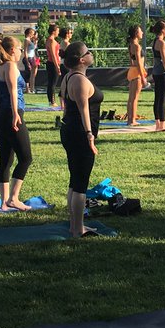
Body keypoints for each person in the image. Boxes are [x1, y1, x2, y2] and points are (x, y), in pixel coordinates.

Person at [59, 40, 103, 237]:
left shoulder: (68, 77)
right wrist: (90, 137)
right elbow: (84, 111)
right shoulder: (80, 81)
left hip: (69, 131)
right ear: (83, 59)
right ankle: (78, 228)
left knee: (75, 180)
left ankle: (74, 225)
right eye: (89, 51)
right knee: (80, 183)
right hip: (79, 133)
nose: (91, 53)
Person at [0, 35, 33, 211]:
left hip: (1, 116)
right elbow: (13, 91)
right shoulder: (10, 66)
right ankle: (13, 198)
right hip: (11, 115)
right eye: (21, 49)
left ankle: (4, 202)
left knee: (6, 160)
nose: (22, 52)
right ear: (12, 50)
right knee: (26, 158)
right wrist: (16, 114)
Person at [125, 24, 148, 126]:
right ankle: (132, 120)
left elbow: (131, 62)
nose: (142, 32)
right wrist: (143, 77)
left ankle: (129, 119)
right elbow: (138, 62)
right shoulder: (137, 46)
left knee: (131, 97)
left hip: (132, 71)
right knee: (135, 98)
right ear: (136, 33)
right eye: (140, 31)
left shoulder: (130, 45)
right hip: (137, 72)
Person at [44, 24, 61, 107]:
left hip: (53, 63)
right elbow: (53, 54)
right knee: (52, 83)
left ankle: (51, 100)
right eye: (57, 31)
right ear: (54, 31)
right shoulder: (51, 40)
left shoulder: (51, 40)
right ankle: (52, 101)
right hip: (52, 63)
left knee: (52, 82)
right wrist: (57, 66)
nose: (58, 32)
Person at [24, 27, 40, 94]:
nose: (33, 35)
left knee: (33, 74)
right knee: (28, 74)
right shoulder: (26, 40)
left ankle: (32, 88)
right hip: (29, 58)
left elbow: (33, 49)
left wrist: (35, 42)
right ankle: (27, 89)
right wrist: (27, 61)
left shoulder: (30, 40)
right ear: (29, 33)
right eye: (32, 33)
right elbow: (25, 51)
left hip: (32, 57)